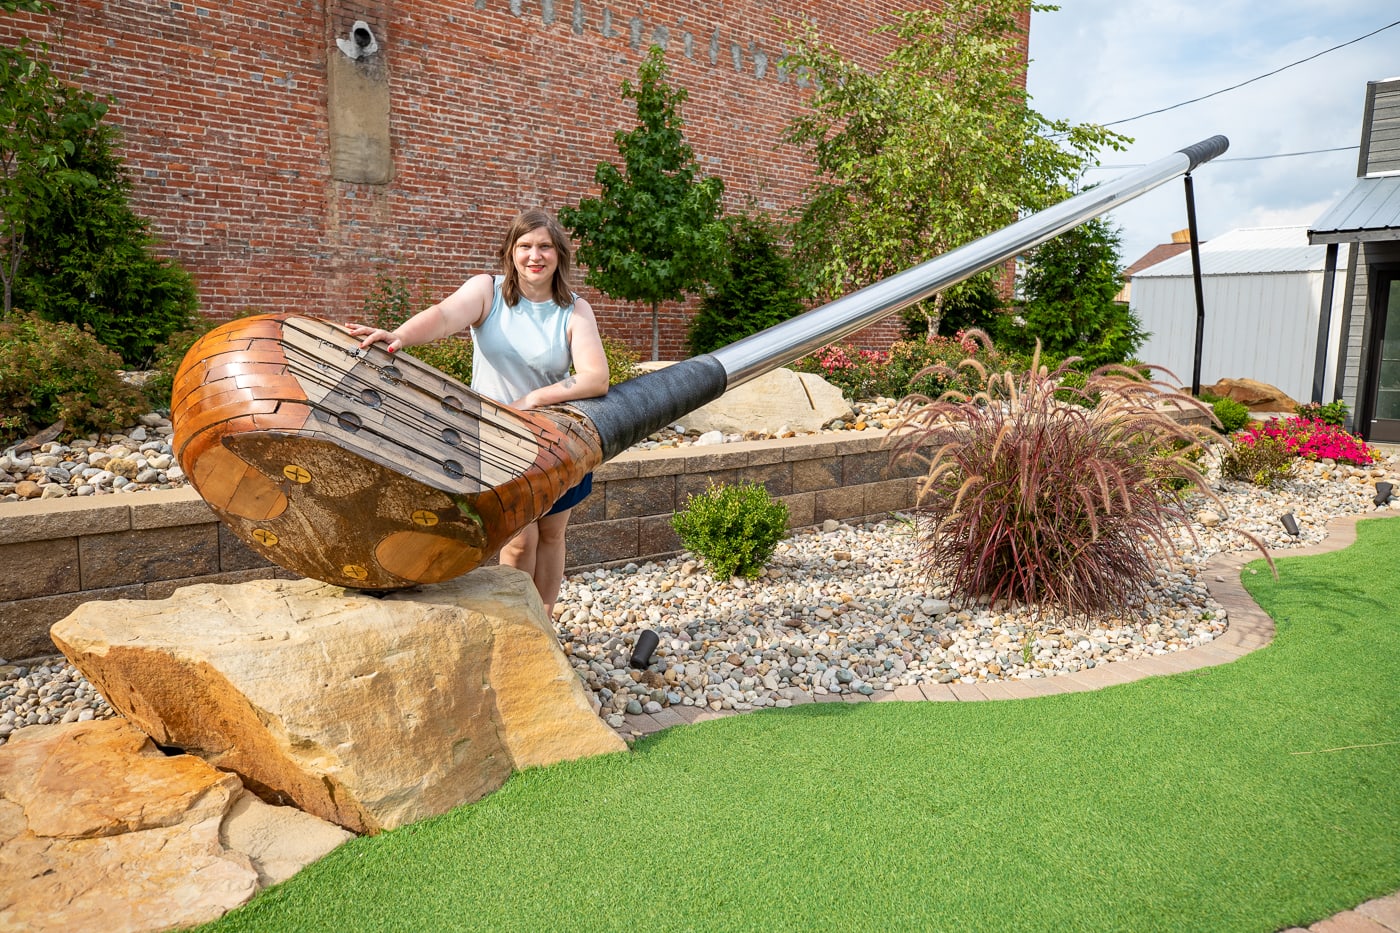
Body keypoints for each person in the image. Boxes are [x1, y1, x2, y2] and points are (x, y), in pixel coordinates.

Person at [347, 209, 609, 616]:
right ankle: (519, 621)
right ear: (510, 252)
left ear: (559, 255)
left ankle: (546, 618)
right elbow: (444, 316)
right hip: (496, 435)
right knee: (519, 539)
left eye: (544, 246)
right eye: (525, 246)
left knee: (553, 534)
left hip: (555, 438)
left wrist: (534, 400)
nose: (534, 255)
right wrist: (399, 335)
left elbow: (595, 378)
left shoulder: (574, 311)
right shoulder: (487, 291)